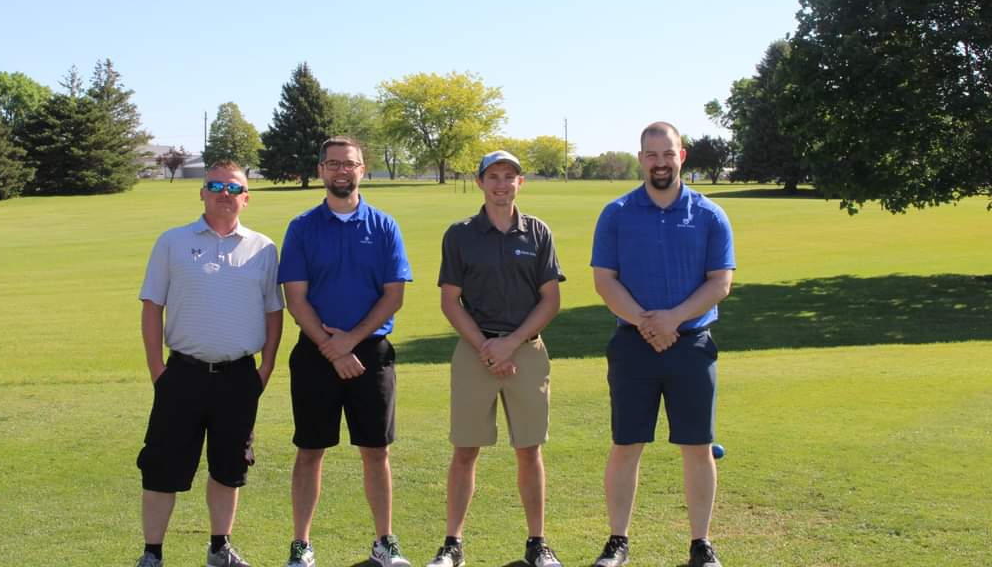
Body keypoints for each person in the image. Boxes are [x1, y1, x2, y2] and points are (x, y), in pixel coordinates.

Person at [589, 122, 736, 567]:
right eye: (651, 155)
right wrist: (647, 323)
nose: (659, 162)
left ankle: (700, 544)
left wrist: (673, 318)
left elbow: (720, 283)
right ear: (641, 159)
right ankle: (618, 541)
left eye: (667, 153)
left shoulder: (710, 214)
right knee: (626, 445)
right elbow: (604, 281)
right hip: (633, 346)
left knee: (697, 446)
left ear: (681, 156)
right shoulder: (616, 213)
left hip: (691, 345)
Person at [134, 160, 285, 567]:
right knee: (163, 465)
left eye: (234, 188)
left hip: (238, 377)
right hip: (182, 374)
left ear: (246, 199)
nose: (225, 194)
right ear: (201, 192)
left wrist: (265, 368)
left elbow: (274, 312)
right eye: (215, 186)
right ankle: (152, 554)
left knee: (229, 466)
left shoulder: (264, 248)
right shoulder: (172, 242)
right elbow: (152, 307)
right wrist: (157, 371)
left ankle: (220, 548)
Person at [278, 136, 413, 567]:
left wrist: (349, 342)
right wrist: (331, 348)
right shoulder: (301, 227)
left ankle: (384, 541)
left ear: (362, 168)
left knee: (376, 450)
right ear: (321, 170)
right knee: (310, 449)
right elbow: (295, 298)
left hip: (370, 354)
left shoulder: (385, 226)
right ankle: (301, 544)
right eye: (333, 163)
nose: (342, 171)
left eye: (349, 164)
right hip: (316, 353)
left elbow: (393, 295)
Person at [426, 150, 566, 567]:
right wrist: (487, 347)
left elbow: (550, 300)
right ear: (480, 182)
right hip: (475, 352)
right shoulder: (460, 234)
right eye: (494, 176)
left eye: (510, 177)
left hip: (526, 352)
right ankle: (452, 544)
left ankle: (537, 543)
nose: (502, 184)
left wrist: (511, 343)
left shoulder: (538, 233)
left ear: (520, 182)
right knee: (465, 449)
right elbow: (450, 302)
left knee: (529, 450)